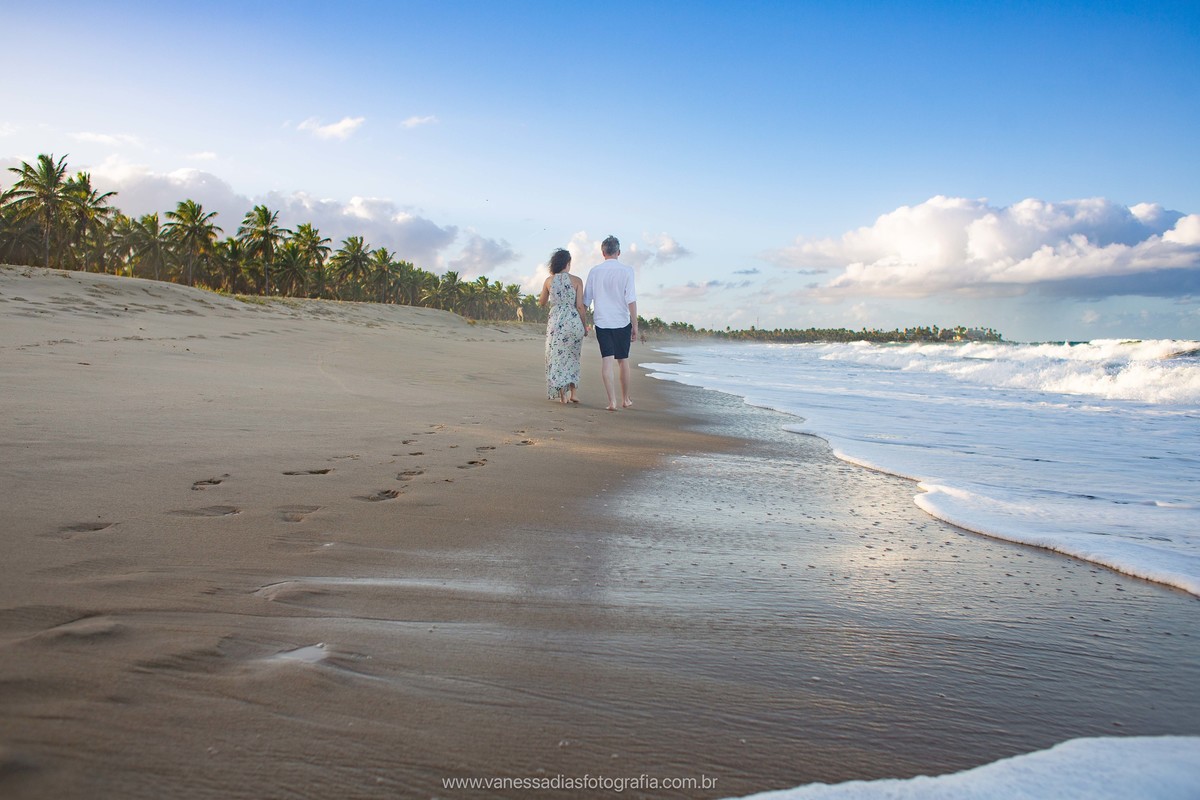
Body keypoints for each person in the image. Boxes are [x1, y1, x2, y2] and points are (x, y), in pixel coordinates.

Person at [583, 235, 637, 411]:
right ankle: (626, 399)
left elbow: (586, 301)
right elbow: (631, 300)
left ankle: (612, 401)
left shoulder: (594, 271)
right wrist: (635, 325)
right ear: (619, 252)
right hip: (622, 321)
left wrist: (583, 322)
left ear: (603, 252)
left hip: (602, 322)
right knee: (623, 361)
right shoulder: (627, 271)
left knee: (607, 361)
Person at [538, 248, 588, 403]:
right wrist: (584, 325)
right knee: (573, 356)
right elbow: (580, 306)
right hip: (573, 321)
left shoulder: (548, 281)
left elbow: (541, 302)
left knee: (556, 356)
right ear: (568, 263)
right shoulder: (577, 280)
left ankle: (562, 395)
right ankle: (574, 393)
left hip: (556, 323)